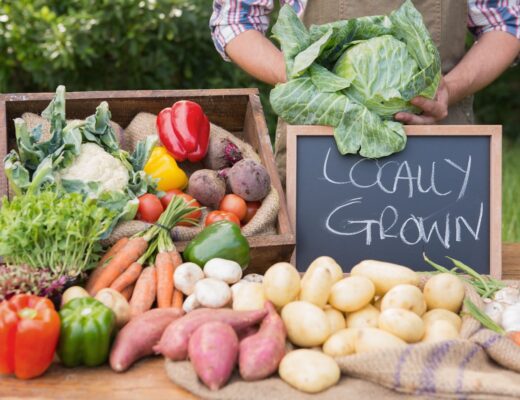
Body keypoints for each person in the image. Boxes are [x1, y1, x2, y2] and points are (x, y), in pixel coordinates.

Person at [210, 1, 520, 183]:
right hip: (320, 148)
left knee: (453, 287)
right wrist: (312, 82)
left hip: (441, 151)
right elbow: (235, 20)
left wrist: (450, 90)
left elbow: (508, 24)